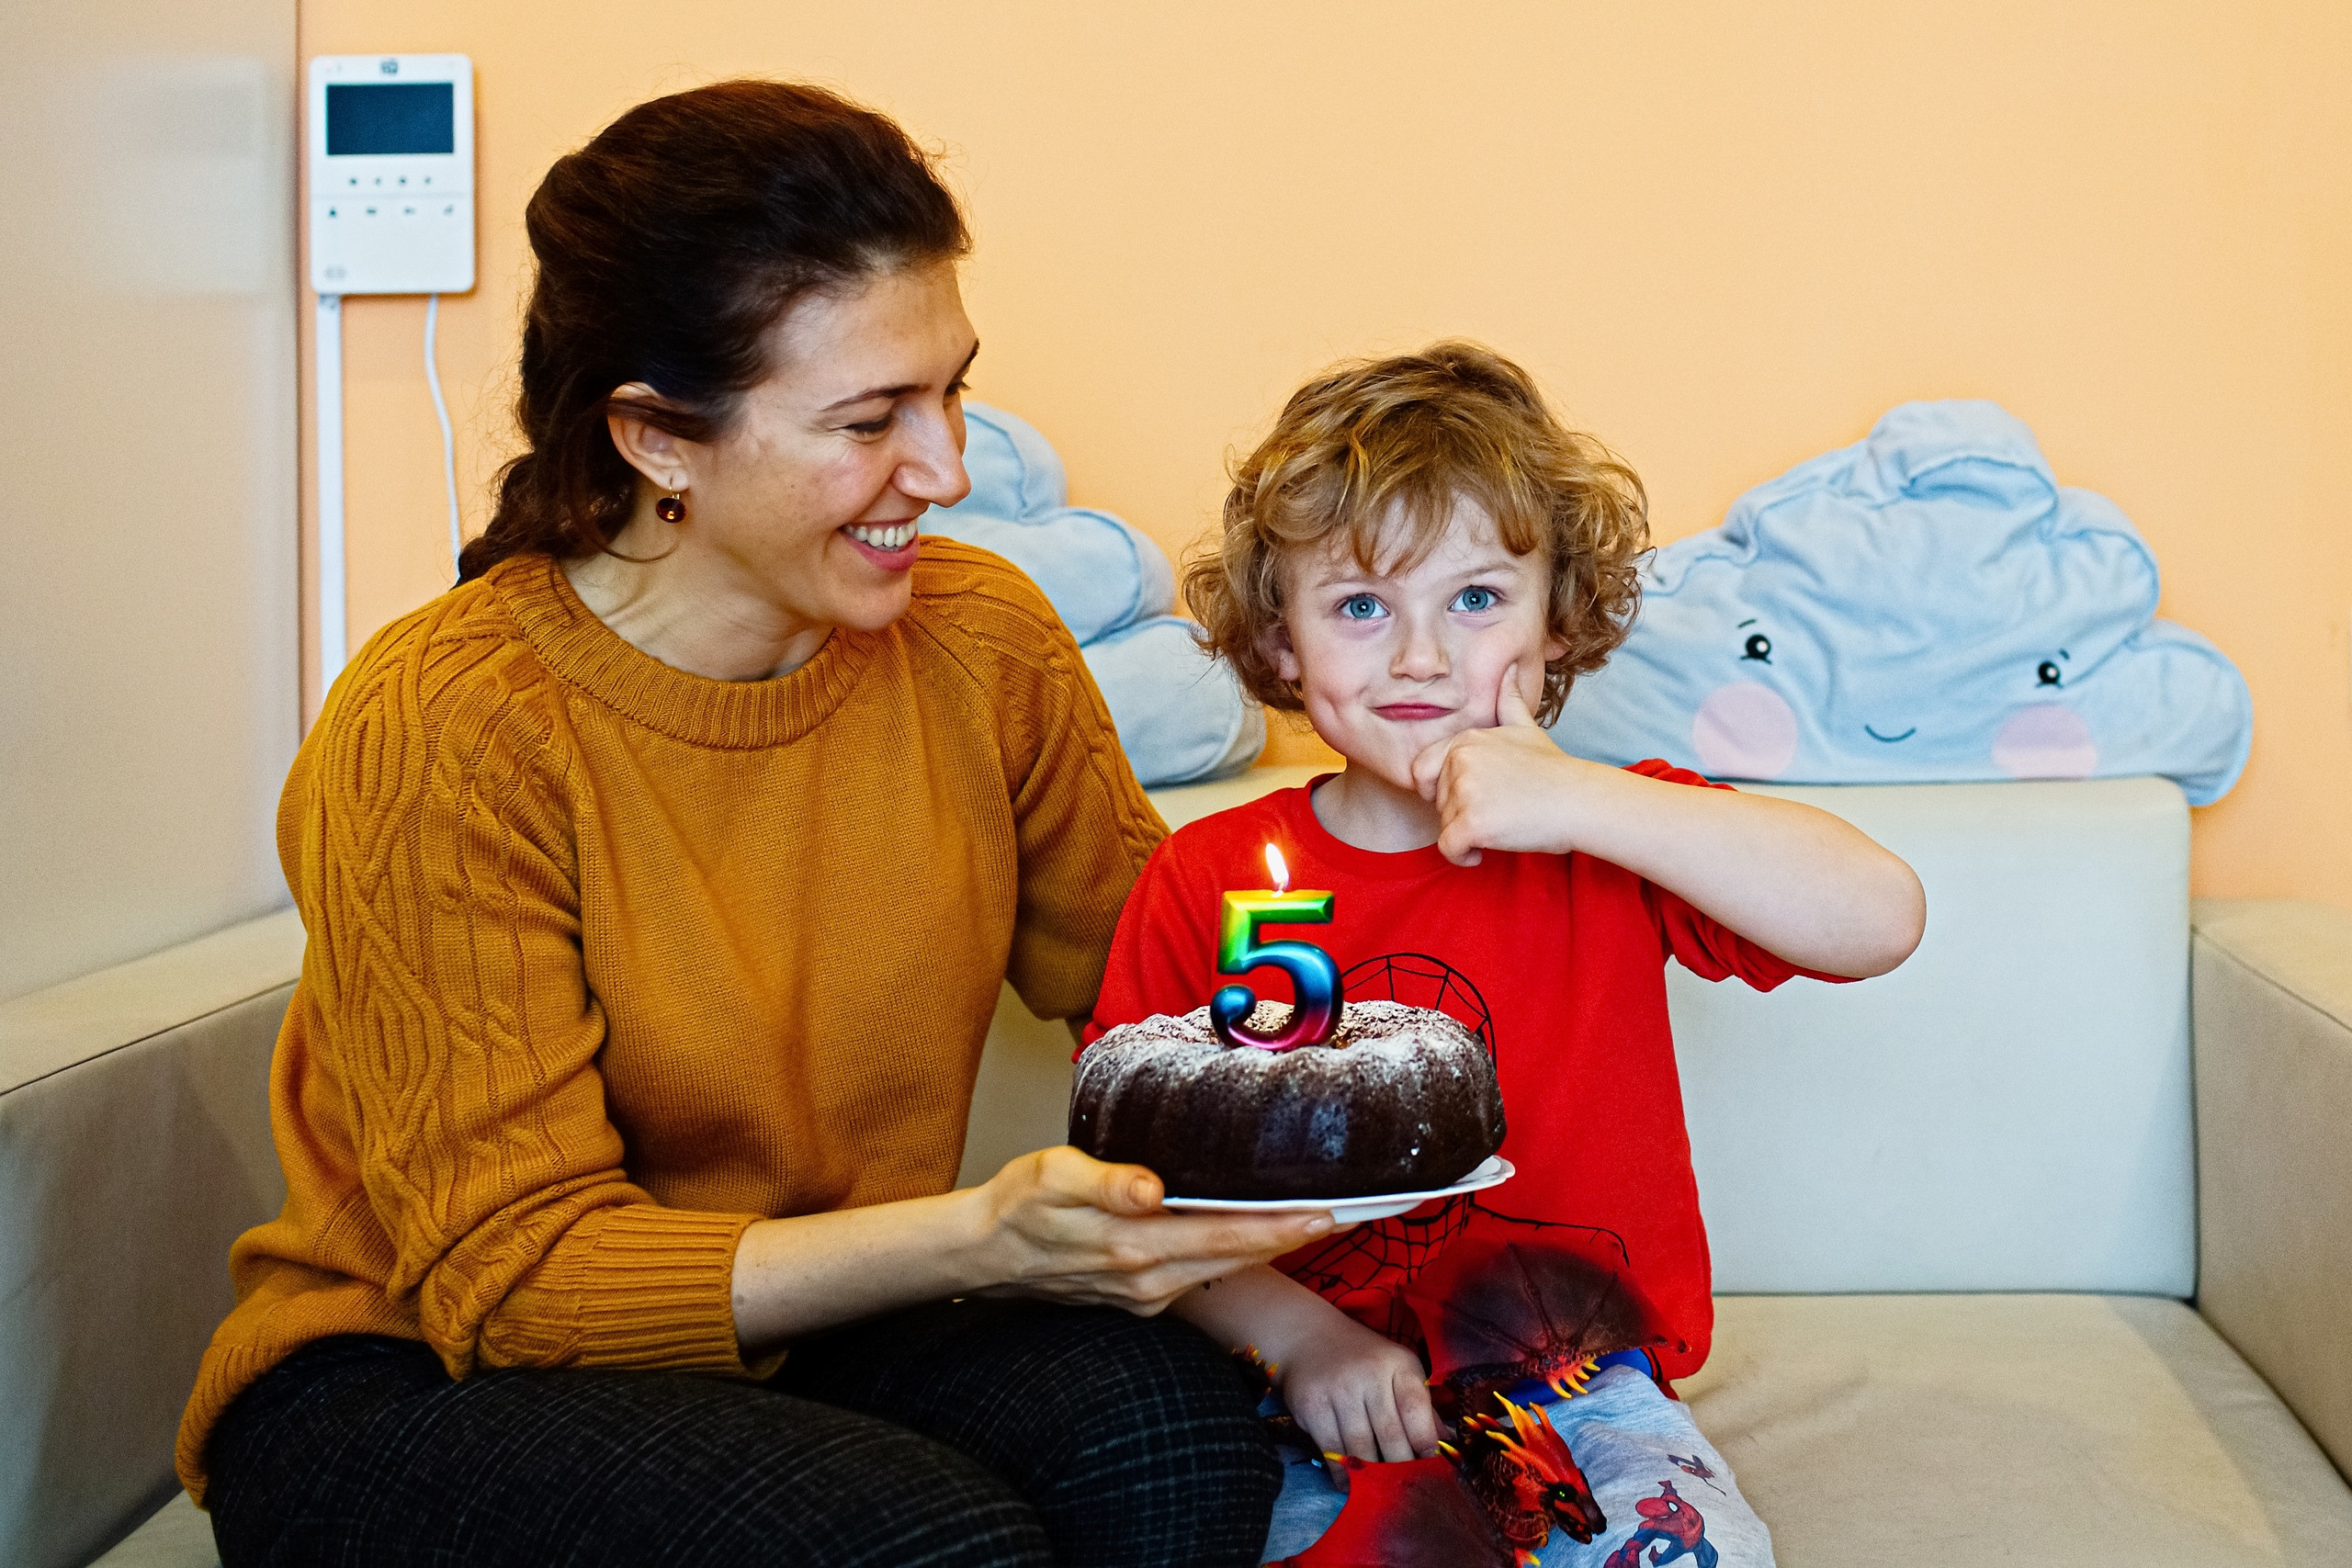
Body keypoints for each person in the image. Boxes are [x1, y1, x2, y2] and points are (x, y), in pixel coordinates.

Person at [177, 80, 1329, 1568]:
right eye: (871, 421)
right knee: (929, 1547)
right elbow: (522, 1285)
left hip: (825, 1325)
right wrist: (979, 1237)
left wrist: (1401, 828)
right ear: (659, 439)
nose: (949, 469)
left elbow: (1159, 988)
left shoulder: (980, 642)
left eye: (952, 390)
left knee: (1176, 1447)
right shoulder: (448, 727)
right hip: (418, 1379)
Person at [1086, 343, 1927, 1564]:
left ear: (1557, 626)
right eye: (1362, 606)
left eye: (1476, 600)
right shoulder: (1210, 877)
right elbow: (1140, 1194)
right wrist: (1300, 1339)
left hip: (1587, 1387)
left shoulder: (1615, 834)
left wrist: (1586, 802)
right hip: (1309, 1398)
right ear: (1281, 647)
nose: (1420, 656)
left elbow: (1881, 915)